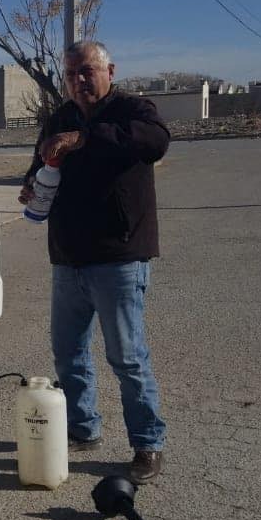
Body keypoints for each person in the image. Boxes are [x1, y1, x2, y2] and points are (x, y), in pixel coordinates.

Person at [19, 40, 169, 484]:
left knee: (127, 358)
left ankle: (148, 444)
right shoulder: (60, 117)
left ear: (110, 71)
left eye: (86, 71)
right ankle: (83, 429)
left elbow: (156, 142)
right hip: (68, 257)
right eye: (70, 74)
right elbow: (41, 161)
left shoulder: (133, 110)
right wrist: (31, 184)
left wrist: (84, 138)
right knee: (69, 353)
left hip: (118, 257)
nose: (78, 80)